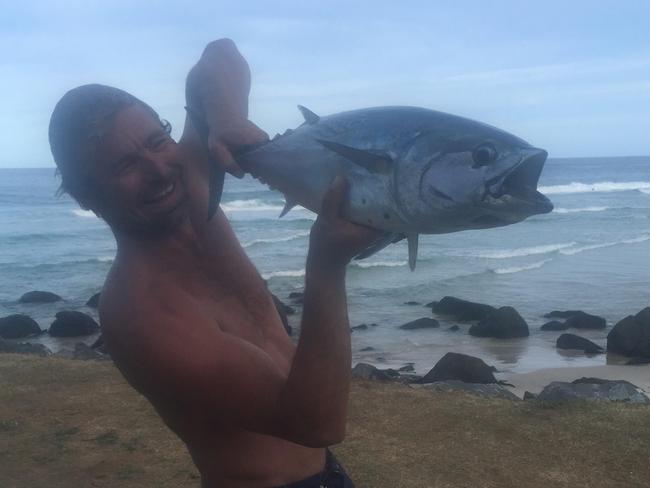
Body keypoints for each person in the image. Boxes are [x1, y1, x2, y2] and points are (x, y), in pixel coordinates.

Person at [48, 39, 380, 488]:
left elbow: (218, 56)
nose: (161, 168)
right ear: (87, 196)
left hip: (326, 473)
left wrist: (225, 119)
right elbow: (315, 423)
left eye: (157, 140)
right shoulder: (143, 313)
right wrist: (326, 266)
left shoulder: (194, 192)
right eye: (126, 165)